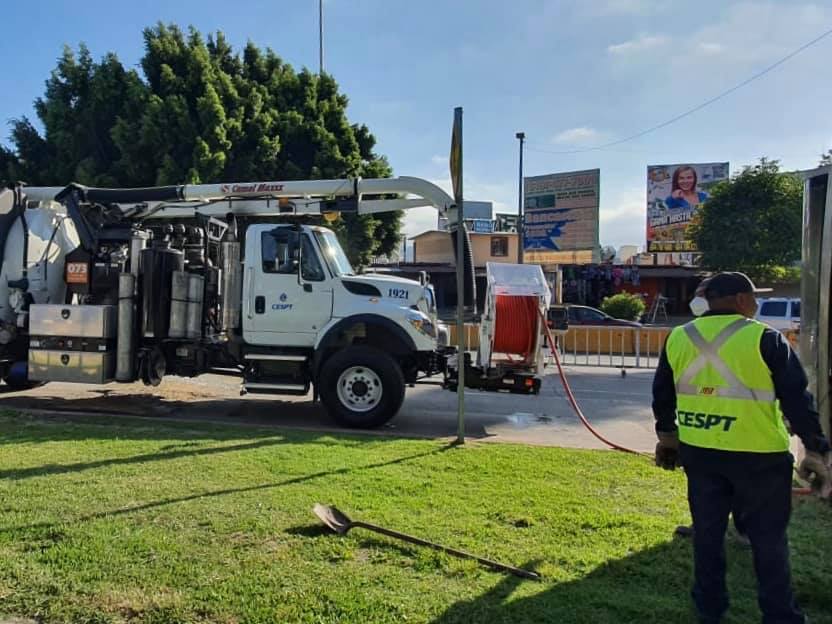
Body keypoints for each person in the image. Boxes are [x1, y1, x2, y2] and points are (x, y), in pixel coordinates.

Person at [652, 272, 832, 624]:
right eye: (752, 296)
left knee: (707, 536)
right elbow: (797, 400)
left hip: (701, 454)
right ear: (739, 300)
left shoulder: (678, 337)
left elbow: (662, 396)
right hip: (759, 457)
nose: (755, 303)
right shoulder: (765, 338)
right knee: (768, 541)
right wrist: (815, 448)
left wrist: (667, 438)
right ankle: (781, 616)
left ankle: (709, 611)